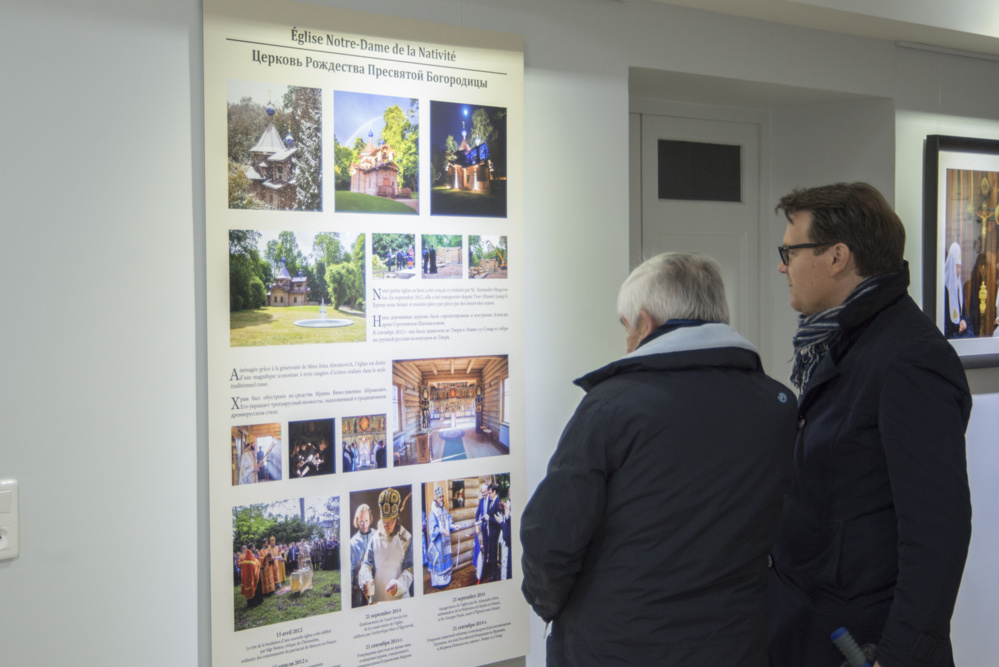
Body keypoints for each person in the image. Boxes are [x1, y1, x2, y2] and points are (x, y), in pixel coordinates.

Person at [520, 251, 797, 666]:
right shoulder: (777, 404)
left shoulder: (611, 406)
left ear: (645, 324)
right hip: (734, 643)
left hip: (618, 646)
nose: (626, 341)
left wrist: (555, 608)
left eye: (625, 327)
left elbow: (550, 537)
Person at [769, 183, 972, 667]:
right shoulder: (841, 339)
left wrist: (900, 654)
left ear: (837, 256)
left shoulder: (911, 358)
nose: (782, 265)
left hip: (863, 642)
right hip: (811, 621)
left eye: (790, 250)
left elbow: (936, 530)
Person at [358, 488, 414, 603]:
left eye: (390, 522)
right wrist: (366, 578)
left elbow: (410, 569)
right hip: (377, 597)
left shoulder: (406, 538)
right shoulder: (375, 538)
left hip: (400, 599)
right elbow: (367, 564)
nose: (386, 525)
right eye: (384, 521)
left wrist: (399, 585)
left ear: (396, 518)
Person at [427, 485, 459, 588]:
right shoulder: (432, 514)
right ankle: (439, 583)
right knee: (439, 561)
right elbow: (432, 530)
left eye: (442, 497)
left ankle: (446, 580)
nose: (441, 499)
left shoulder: (444, 510)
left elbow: (449, 521)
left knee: (446, 558)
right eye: (439, 497)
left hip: (445, 541)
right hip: (438, 543)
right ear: (435, 499)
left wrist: (454, 526)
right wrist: (442, 531)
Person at [944, 242, 974, 338]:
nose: (959, 271)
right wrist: (957, 327)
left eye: (960, 267)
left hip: (959, 331)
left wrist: (963, 321)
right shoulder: (944, 289)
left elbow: (963, 313)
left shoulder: (958, 288)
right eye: (957, 266)